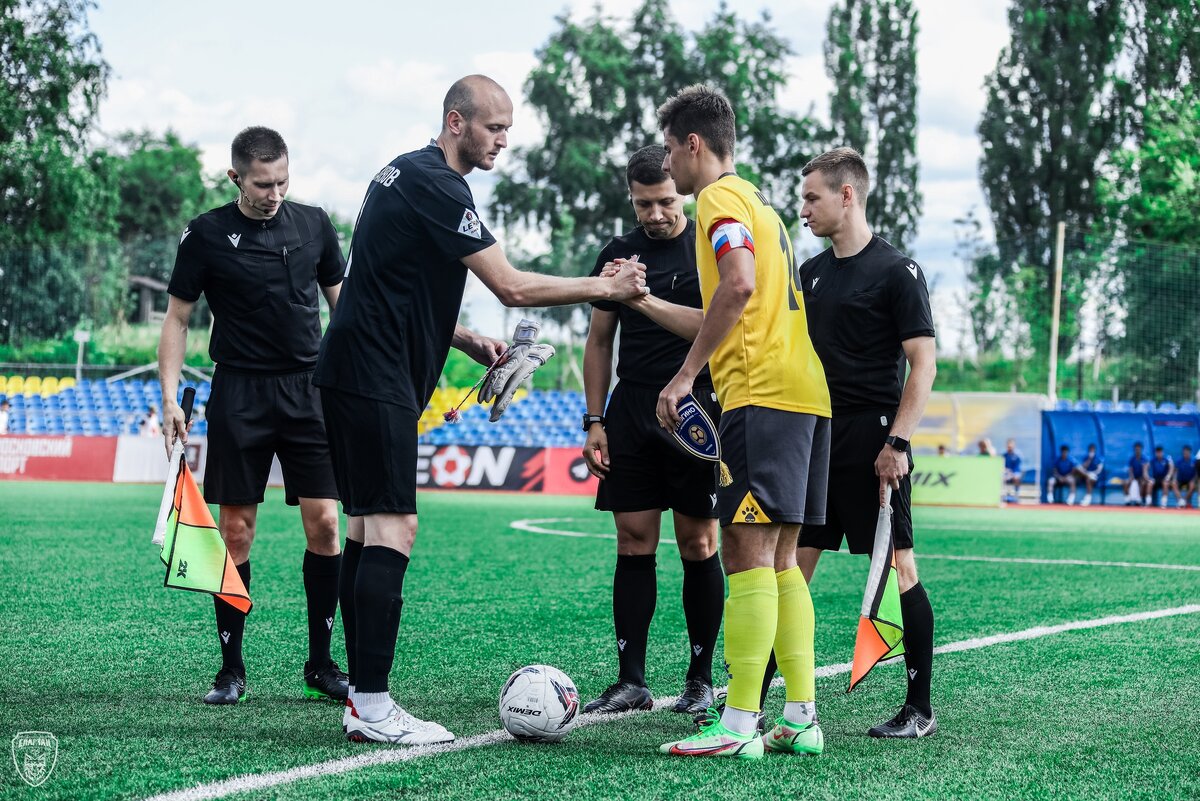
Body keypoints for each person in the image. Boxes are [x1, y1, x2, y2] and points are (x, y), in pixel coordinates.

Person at [312, 75, 647, 746]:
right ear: (456, 121)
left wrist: (462, 338)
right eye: (494, 127)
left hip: (351, 368)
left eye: (509, 130)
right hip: (374, 376)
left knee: (362, 529)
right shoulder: (440, 183)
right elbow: (513, 285)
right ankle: (373, 706)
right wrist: (604, 286)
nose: (502, 141)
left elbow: (389, 278)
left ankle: (360, 696)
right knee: (393, 529)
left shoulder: (399, 173)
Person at [631, 85, 830, 760]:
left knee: (745, 554)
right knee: (782, 564)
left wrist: (686, 376)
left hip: (763, 393)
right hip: (806, 393)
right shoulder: (763, 207)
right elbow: (745, 291)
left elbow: (737, 284)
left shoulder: (718, 198)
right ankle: (800, 717)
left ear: (693, 144)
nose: (668, 164)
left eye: (669, 148)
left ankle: (738, 723)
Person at [159, 126, 349, 706]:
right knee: (236, 531)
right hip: (239, 391)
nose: (274, 193)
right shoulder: (207, 234)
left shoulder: (314, 223)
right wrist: (169, 396)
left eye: (283, 181)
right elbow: (176, 320)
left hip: (308, 391)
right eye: (263, 183)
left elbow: (346, 311)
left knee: (325, 524)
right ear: (235, 176)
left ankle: (321, 663)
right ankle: (231, 669)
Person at [770, 146, 936, 739]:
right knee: (787, 567)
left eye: (812, 196)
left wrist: (898, 441)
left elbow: (923, 365)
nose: (804, 208)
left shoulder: (897, 271)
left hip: (873, 441)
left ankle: (919, 709)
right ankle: (755, 698)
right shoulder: (809, 274)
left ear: (847, 195)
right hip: (813, 439)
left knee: (898, 568)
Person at [580, 145, 722, 718]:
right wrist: (595, 419)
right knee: (633, 541)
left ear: (681, 191)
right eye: (643, 204)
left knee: (699, 543)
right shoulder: (617, 254)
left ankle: (700, 678)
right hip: (631, 408)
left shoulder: (710, 246)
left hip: (697, 407)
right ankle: (631, 680)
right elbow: (598, 342)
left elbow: (716, 322)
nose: (655, 214)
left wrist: (643, 296)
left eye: (664, 201)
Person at [1168, 445, 1196, 509]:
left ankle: (1184, 500)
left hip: (1189, 480)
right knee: (1173, 483)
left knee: (1192, 485)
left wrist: (1193, 480)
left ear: (1190, 452)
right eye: (1184, 453)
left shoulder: (1193, 461)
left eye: (1187, 453)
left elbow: (1196, 473)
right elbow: (1175, 471)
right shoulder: (1179, 460)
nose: (1185, 454)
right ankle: (1181, 500)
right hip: (1180, 480)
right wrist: (1174, 479)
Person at [1123, 442, 1150, 506]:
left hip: (1142, 477)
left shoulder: (1145, 458)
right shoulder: (1132, 459)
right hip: (1134, 477)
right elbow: (1130, 469)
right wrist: (1131, 478)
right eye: (1136, 449)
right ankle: (1127, 500)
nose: (1137, 450)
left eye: (1139, 449)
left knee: (1142, 483)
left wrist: (1144, 478)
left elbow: (1145, 471)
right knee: (1126, 483)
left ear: (1141, 449)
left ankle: (1139, 500)